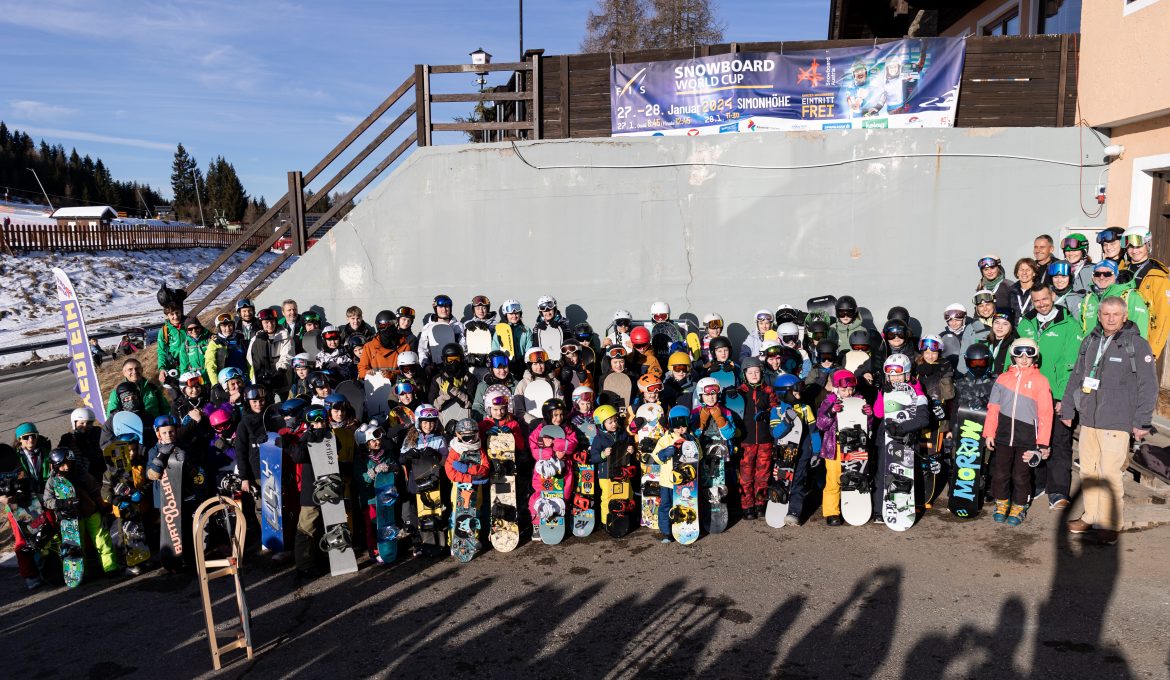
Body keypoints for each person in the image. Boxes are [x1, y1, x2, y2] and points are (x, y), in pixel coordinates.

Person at [1062, 296, 1158, 545]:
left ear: (1125, 316)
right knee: (1088, 472)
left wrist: (1142, 421)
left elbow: (1149, 386)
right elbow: (1077, 377)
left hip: (1117, 421)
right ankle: (1090, 516)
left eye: (1116, 314)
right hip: (1090, 420)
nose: (1111, 318)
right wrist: (1068, 409)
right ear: (1100, 315)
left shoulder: (1136, 344)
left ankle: (1111, 523)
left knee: (1110, 474)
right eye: (1106, 314)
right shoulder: (1091, 340)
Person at [1017, 285, 1082, 509]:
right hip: (1029, 394)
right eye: (1037, 301)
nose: (1042, 304)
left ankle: (1058, 491)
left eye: (1045, 299)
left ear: (1053, 296)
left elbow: (1072, 366)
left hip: (1055, 395)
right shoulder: (1026, 323)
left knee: (1059, 443)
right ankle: (1038, 483)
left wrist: (1064, 397)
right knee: (1033, 441)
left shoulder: (1069, 324)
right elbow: (1016, 357)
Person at [983, 338, 1053, 526]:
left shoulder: (1040, 380)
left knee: (1021, 476)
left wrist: (1042, 443)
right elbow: (993, 408)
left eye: (1029, 354)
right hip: (1003, 437)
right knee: (1000, 473)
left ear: (1035, 356)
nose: (1024, 358)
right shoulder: (1002, 379)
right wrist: (989, 432)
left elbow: (1046, 414)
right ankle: (1002, 503)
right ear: (1013, 355)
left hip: (1027, 439)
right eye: (1019, 354)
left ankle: (1019, 505)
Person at [42, 447, 119, 578]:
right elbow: (47, 500)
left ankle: (110, 567)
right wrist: (61, 504)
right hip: (71, 518)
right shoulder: (52, 481)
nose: (66, 467)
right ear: (55, 466)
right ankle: (80, 574)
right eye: (62, 465)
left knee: (102, 541)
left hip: (91, 512)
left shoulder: (81, 475)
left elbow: (96, 491)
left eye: (68, 463)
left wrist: (104, 509)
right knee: (76, 546)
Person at [872, 354, 929, 519]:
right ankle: (879, 510)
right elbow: (878, 412)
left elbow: (923, 418)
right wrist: (883, 393)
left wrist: (902, 428)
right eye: (890, 374)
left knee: (903, 474)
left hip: (906, 438)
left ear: (907, 374)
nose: (895, 378)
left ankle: (903, 508)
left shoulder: (917, 391)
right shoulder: (886, 388)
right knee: (883, 473)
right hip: (886, 438)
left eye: (898, 374)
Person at [815, 370, 869, 526]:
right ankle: (832, 512)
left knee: (855, 475)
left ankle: (854, 507)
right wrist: (831, 412)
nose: (848, 392)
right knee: (834, 480)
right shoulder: (828, 402)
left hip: (854, 447)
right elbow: (821, 424)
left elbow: (867, 426)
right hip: (835, 448)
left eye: (851, 389)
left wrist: (869, 415)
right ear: (836, 388)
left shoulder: (859, 401)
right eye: (844, 389)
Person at [769, 374, 820, 526]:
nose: (799, 396)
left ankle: (793, 512)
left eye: (799, 393)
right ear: (784, 393)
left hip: (803, 452)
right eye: (795, 393)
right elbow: (775, 433)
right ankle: (778, 504)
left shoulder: (805, 408)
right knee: (781, 480)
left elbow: (814, 431)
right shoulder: (776, 411)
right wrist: (786, 421)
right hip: (783, 454)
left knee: (798, 482)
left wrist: (816, 452)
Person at [288, 405, 332, 579]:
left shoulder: (329, 436)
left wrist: (324, 436)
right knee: (307, 527)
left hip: (328, 487)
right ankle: (304, 564)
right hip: (310, 490)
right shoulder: (306, 438)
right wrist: (310, 436)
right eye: (315, 422)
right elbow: (299, 456)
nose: (319, 424)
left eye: (321, 421)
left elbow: (338, 448)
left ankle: (323, 556)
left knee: (324, 525)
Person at [527, 399, 577, 542]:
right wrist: (552, 451)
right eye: (555, 415)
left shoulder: (568, 428)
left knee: (563, 496)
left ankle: (559, 522)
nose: (558, 418)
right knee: (540, 496)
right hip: (544, 471)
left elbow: (572, 444)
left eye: (561, 415)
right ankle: (537, 524)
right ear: (548, 415)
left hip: (563, 471)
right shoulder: (538, 431)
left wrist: (556, 444)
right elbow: (535, 452)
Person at [736, 357, 778, 519]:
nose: (754, 375)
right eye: (750, 372)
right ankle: (747, 506)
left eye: (757, 372)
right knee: (746, 475)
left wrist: (767, 414)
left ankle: (760, 503)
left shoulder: (769, 391)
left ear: (761, 372)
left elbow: (776, 410)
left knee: (763, 474)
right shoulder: (740, 392)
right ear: (744, 374)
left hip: (764, 439)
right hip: (746, 440)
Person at [649, 405, 696, 543]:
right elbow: (655, 458)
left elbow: (699, 457)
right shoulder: (665, 439)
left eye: (684, 424)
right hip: (667, 482)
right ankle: (667, 533)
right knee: (666, 506)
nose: (680, 428)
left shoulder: (691, 439)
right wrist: (664, 453)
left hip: (685, 482)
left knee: (685, 505)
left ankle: (685, 528)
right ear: (670, 424)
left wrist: (693, 450)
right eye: (676, 425)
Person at [1121, 226, 1170, 358]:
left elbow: (1163, 317)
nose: (1134, 250)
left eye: (1138, 246)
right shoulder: (1120, 270)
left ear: (1148, 245)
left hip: (1142, 340)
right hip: (1118, 338)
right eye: (1130, 247)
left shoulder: (1158, 277)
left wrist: (1152, 351)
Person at [1078, 260, 1149, 340]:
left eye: (1107, 274)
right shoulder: (1088, 299)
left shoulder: (1131, 297)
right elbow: (1081, 331)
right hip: (1091, 350)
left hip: (1120, 350)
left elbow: (1141, 331)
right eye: (1097, 274)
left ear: (1116, 275)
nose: (1101, 277)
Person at [247, 307, 293, 397]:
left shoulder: (285, 336)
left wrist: (280, 371)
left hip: (282, 377)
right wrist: (261, 342)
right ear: (261, 324)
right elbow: (250, 359)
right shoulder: (256, 339)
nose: (270, 325)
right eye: (266, 322)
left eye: (272, 321)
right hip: (263, 380)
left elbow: (287, 355)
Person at [105, 358, 169, 419]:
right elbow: (111, 418)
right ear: (124, 373)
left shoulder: (153, 388)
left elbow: (166, 409)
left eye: (137, 368)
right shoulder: (117, 393)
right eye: (130, 369)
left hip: (155, 427)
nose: (134, 371)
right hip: (132, 428)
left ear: (142, 370)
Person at [358, 310, 413, 380]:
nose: (388, 329)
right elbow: (362, 369)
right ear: (378, 327)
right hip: (376, 385)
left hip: (397, 385)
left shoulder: (404, 347)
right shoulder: (369, 347)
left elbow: (408, 371)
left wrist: (391, 374)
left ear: (396, 325)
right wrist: (367, 373)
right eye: (383, 326)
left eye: (391, 325)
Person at [419, 294, 467, 370]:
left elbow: (464, 346)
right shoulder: (428, 327)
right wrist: (425, 365)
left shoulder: (458, 326)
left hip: (455, 366)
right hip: (435, 367)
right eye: (441, 307)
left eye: (447, 306)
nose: (444, 310)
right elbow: (422, 349)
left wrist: (463, 362)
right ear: (435, 308)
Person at [57, 407, 104, 477]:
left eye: (88, 423)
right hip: (76, 473)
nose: (85, 426)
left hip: (98, 471)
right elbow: (60, 455)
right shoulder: (67, 438)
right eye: (81, 423)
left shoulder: (97, 433)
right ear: (74, 423)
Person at [958, 290, 996, 374]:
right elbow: (963, 354)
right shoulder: (971, 328)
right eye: (981, 306)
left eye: (988, 304)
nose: (985, 309)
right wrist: (965, 374)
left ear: (994, 305)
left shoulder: (1001, 325)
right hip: (977, 372)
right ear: (976, 309)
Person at [472, 352, 518, 420]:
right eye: (498, 368)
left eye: (505, 367)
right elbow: (477, 409)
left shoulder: (515, 384)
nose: (502, 371)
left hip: (512, 423)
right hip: (490, 425)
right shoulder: (483, 386)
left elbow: (521, 406)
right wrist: (490, 418)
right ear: (491, 369)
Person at [205, 313, 249, 381]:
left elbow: (249, 360)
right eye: (224, 326)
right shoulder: (215, 343)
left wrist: (252, 379)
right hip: (225, 380)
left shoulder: (240, 339)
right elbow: (210, 365)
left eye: (230, 325)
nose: (227, 329)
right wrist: (215, 384)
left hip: (243, 378)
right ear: (219, 327)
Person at [492, 300, 532, 372]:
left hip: (522, 365)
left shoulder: (526, 330)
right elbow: (495, 350)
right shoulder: (500, 330)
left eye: (517, 313)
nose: (514, 316)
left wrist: (526, 363)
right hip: (505, 366)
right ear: (505, 315)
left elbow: (530, 349)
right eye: (511, 314)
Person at [156, 299, 185, 386]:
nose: (175, 316)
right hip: (173, 367)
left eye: (177, 313)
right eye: (172, 314)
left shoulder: (189, 326)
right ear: (167, 316)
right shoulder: (164, 331)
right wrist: (162, 368)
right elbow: (161, 352)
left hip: (189, 366)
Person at [177, 316, 212, 383]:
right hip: (195, 380)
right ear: (187, 330)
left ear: (200, 327)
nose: (194, 331)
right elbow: (184, 367)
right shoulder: (185, 346)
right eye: (190, 329)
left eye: (196, 328)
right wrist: (184, 382)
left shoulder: (209, 341)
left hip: (210, 377)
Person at [1006, 258, 1042, 322]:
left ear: (1034, 273)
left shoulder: (1040, 290)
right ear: (1017, 273)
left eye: (1028, 270)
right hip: (1014, 330)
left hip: (1033, 329)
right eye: (1021, 270)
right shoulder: (1010, 291)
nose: (1024, 273)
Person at [986, 311, 1017, 375]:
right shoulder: (983, 344)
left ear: (1011, 327)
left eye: (1005, 324)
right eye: (997, 322)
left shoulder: (1015, 347)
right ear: (992, 324)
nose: (1000, 327)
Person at [938, 303, 968, 371]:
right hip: (947, 370)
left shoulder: (970, 334)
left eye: (957, 320)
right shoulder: (942, 336)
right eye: (950, 320)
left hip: (965, 369)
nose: (954, 323)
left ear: (964, 319)